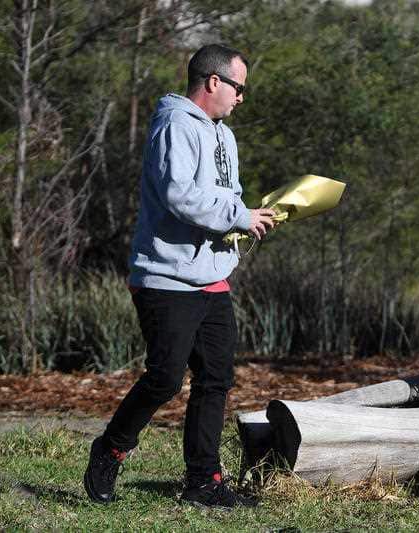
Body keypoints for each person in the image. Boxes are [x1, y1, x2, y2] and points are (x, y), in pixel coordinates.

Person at [84, 43, 274, 509]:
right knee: (166, 378)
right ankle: (110, 448)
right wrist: (238, 215)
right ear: (213, 82)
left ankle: (203, 480)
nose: (241, 97)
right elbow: (181, 196)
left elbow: (227, 196)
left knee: (215, 380)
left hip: (212, 278)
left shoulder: (222, 134)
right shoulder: (174, 124)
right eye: (238, 87)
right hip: (166, 277)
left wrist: (251, 217)